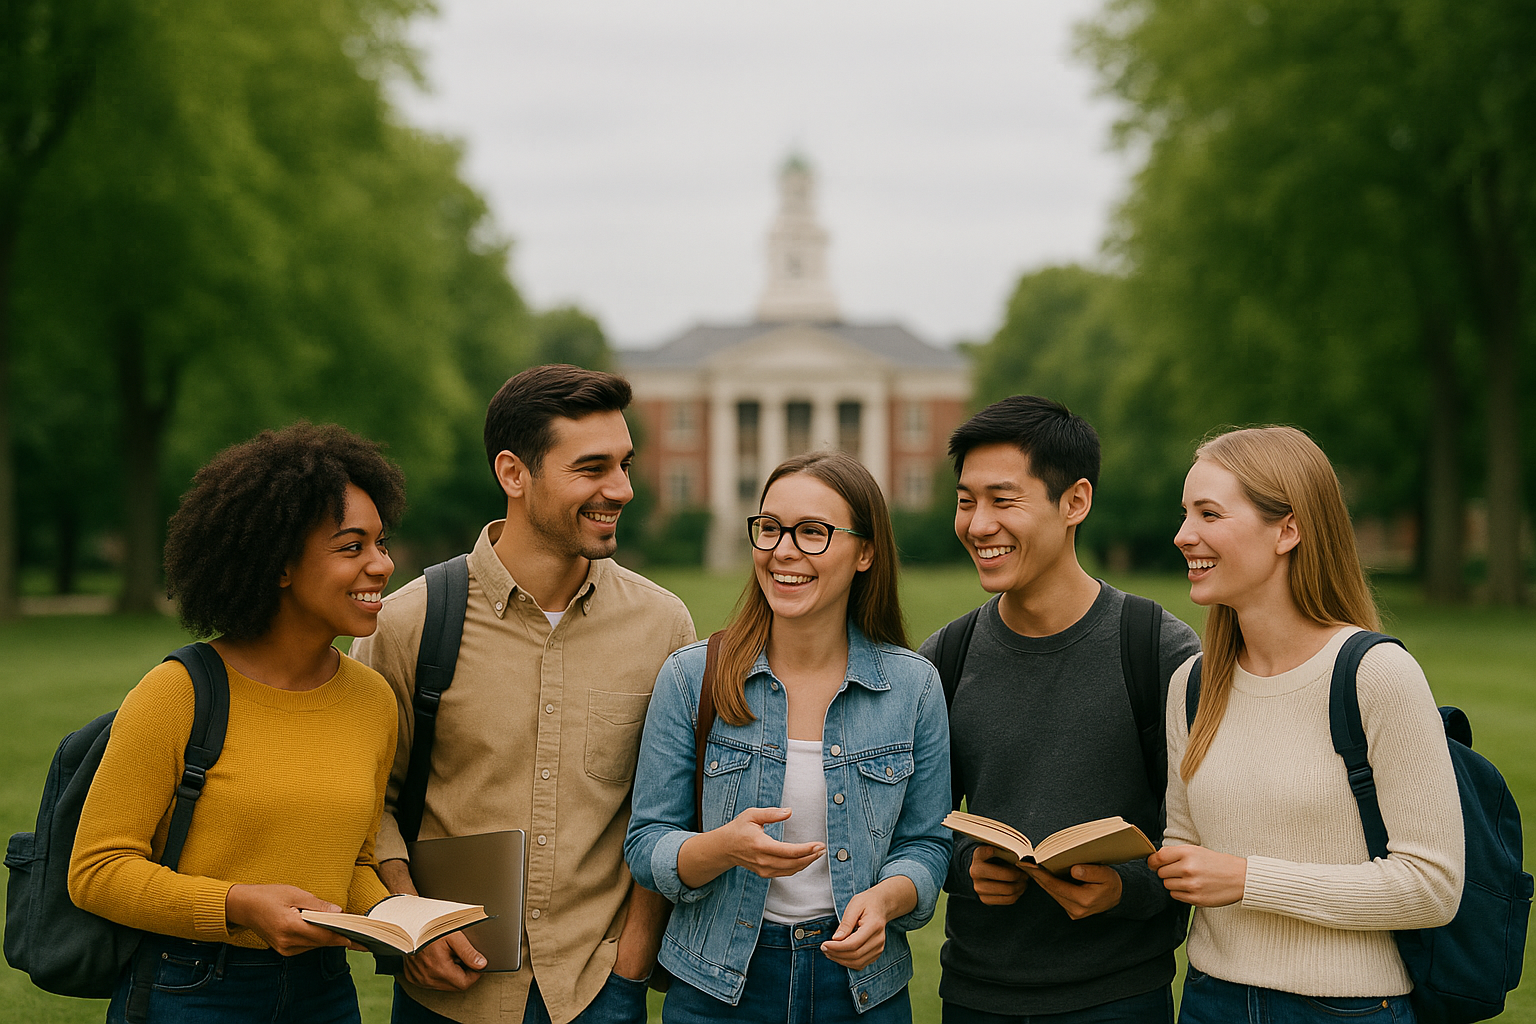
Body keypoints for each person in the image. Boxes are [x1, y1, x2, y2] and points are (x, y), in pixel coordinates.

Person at [352, 364, 695, 1024]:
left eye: (625, 465)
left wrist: (631, 964)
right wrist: (406, 917)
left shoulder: (664, 626)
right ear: (514, 474)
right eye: (593, 468)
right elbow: (367, 800)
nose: (621, 489)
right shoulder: (406, 623)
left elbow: (668, 809)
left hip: (600, 993)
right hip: (445, 997)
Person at [69, 422, 408, 1023]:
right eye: (352, 547)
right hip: (190, 989)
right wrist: (239, 905)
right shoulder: (178, 691)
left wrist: (399, 920)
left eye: (381, 543)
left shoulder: (372, 700)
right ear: (279, 565)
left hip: (324, 993)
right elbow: (97, 871)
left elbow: (350, 862)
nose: (381, 565)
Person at [626, 451, 952, 1023]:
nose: (783, 550)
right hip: (717, 987)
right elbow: (647, 844)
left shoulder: (913, 687)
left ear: (866, 552)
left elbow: (927, 846)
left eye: (813, 533)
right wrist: (722, 848)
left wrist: (885, 900)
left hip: (861, 990)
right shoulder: (691, 676)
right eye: (770, 528)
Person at [1150, 425, 1463, 1022]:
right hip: (1210, 1000)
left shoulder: (1377, 674)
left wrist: (1248, 880)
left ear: (1287, 530)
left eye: (1209, 513)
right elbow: (1187, 847)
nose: (1183, 535)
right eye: (1186, 512)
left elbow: (1432, 886)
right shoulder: (1191, 684)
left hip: (1346, 1008)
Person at [918, 395, 1201, 1023]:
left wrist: (1128, 887)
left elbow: (1210, 832)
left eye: (1003, 499)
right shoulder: (947, 655)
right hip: (974, 996)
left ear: (1075, 502)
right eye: (966, 501)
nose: (978, 524)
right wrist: (967, 867)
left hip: (1119, 997)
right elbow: (915, 824)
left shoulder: (1160, 650)